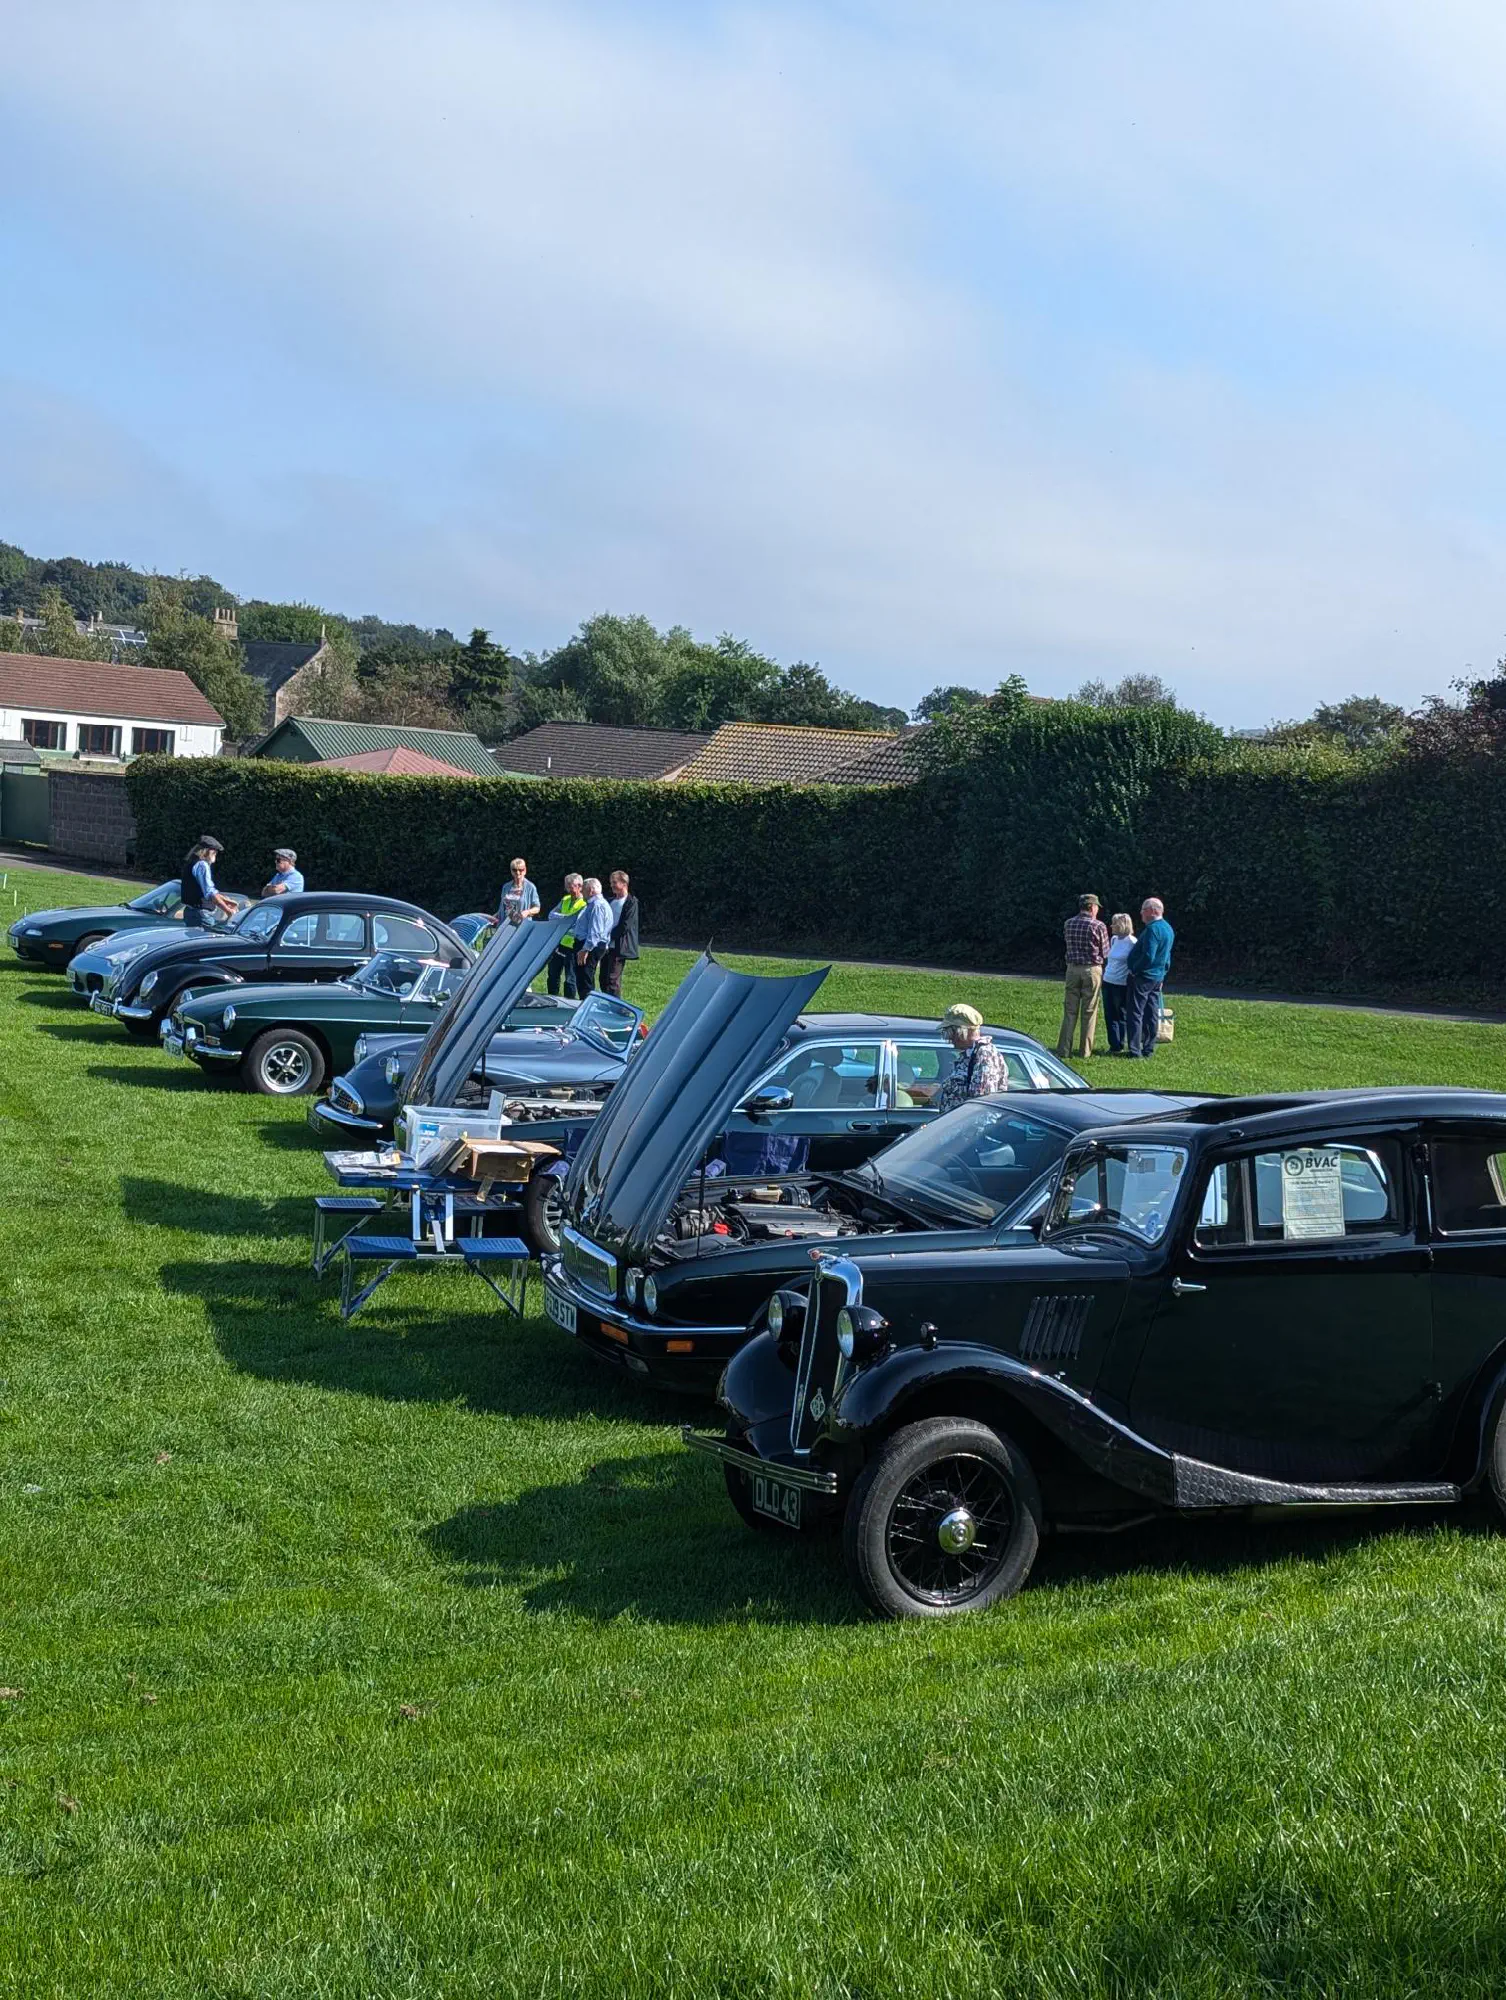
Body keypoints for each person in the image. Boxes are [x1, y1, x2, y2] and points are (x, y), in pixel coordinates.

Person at [1058, 892, 1109, 1060]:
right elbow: (1105, 951)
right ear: (1092, 907)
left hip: (1072, 969)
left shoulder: (1068, 923)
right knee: (1089, 1011)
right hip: (1091, 969)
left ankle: (1064, 1049)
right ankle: (1085, 1051)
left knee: (1070, 1011)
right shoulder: (1098, 926)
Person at [932, 1003, 1011, 1112]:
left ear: (961, 1032)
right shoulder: (969, 1054)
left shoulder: (985, 1055)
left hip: (969, 1126)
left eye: (950, 1033)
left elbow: (982, 1103)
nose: (950, 1039)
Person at [1124, 896, 1175, 1057]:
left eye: (1143, 909)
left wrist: (1134, 969)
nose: (1141, 913)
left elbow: (1148, 955)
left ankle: (1134, 1049)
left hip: (1144, 976)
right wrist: (1163, 974)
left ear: (1152, 911)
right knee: (1151, 1012)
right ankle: (1148, 1047)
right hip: (1157, 976)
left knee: (1135, 1012)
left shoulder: (1153, 929)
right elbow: (1167, 956)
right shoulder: (1168, 928)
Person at [180, 835, 236, 929]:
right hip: (201, 915)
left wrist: (225, 901)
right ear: (209, 851)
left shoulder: (191, 863)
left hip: (190, 912)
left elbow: (205, 890)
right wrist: (228, 911)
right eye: (215, 853)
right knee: (210, 940)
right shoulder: (202, 865)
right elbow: (210, 892)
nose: (215, 855)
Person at [600, 869, 639, 997]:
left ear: (624, 883)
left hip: (619, 946)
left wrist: (608, 936)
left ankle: (616, 1010)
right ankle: (606, 1005)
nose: (611, 885)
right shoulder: (610, 901)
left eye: (614, 882)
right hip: (606, 946)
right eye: (611, 883)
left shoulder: (631, 902)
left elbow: (625, 926)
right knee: (603, 979)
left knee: (613, 980)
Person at [1101, 913, 1136, 1054]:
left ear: (1122, 925)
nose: (1111, 926)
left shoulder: (1132, 942)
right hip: (1107, 980)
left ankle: (1120, 1043)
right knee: (1109, 1014)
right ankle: (1113, 1044)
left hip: (1121, 984)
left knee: (1120, 1013)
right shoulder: (1114, 939)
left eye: (1114, 923)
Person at [547, 873, 586, 997]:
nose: (569, 889)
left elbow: (577, 922)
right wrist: (566, 919)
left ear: (580, 886)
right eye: (567, 886)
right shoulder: (565, 899)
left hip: (573, 946)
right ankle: (552, 999)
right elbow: (550, 915)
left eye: (571, 886)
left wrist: (562, 920)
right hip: (559, 943)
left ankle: (569, 1003)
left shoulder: (584, 903)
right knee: (553, 975)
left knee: (570, 978)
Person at [573, 876, 614, 994]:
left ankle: (587, 1006)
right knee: (583, 978)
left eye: (583, 889)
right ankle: (584, 1003)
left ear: (591, 890)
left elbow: (595, 931)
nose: (581, 892)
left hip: (590, 946)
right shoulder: (593, 904)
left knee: (585, 979)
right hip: (589, 944)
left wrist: (585, 949)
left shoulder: (597, 905)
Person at [498, 857, 540, 928]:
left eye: (521, 870)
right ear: (511, 871)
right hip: (505, 927)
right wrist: (491, 919)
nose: (518, 873)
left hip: (522, 927)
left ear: (525, 870)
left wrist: (527, 912)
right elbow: (502, 908)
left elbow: (537, 908)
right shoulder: (506, 887)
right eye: (514, 870)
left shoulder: (530, 887)